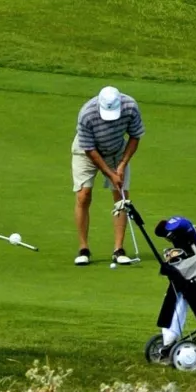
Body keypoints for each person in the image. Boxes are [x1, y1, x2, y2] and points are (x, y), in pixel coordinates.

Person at [72, 84, 145, 267]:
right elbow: (89, 150)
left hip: (116, 151)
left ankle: (118, 249)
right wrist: (109, 173)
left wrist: (121, 165)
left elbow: (135, 136)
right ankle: (83, 249)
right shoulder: (87, 114)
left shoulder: (130, 107)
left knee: (121, 198)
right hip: (86, 151)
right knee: (83, 195)